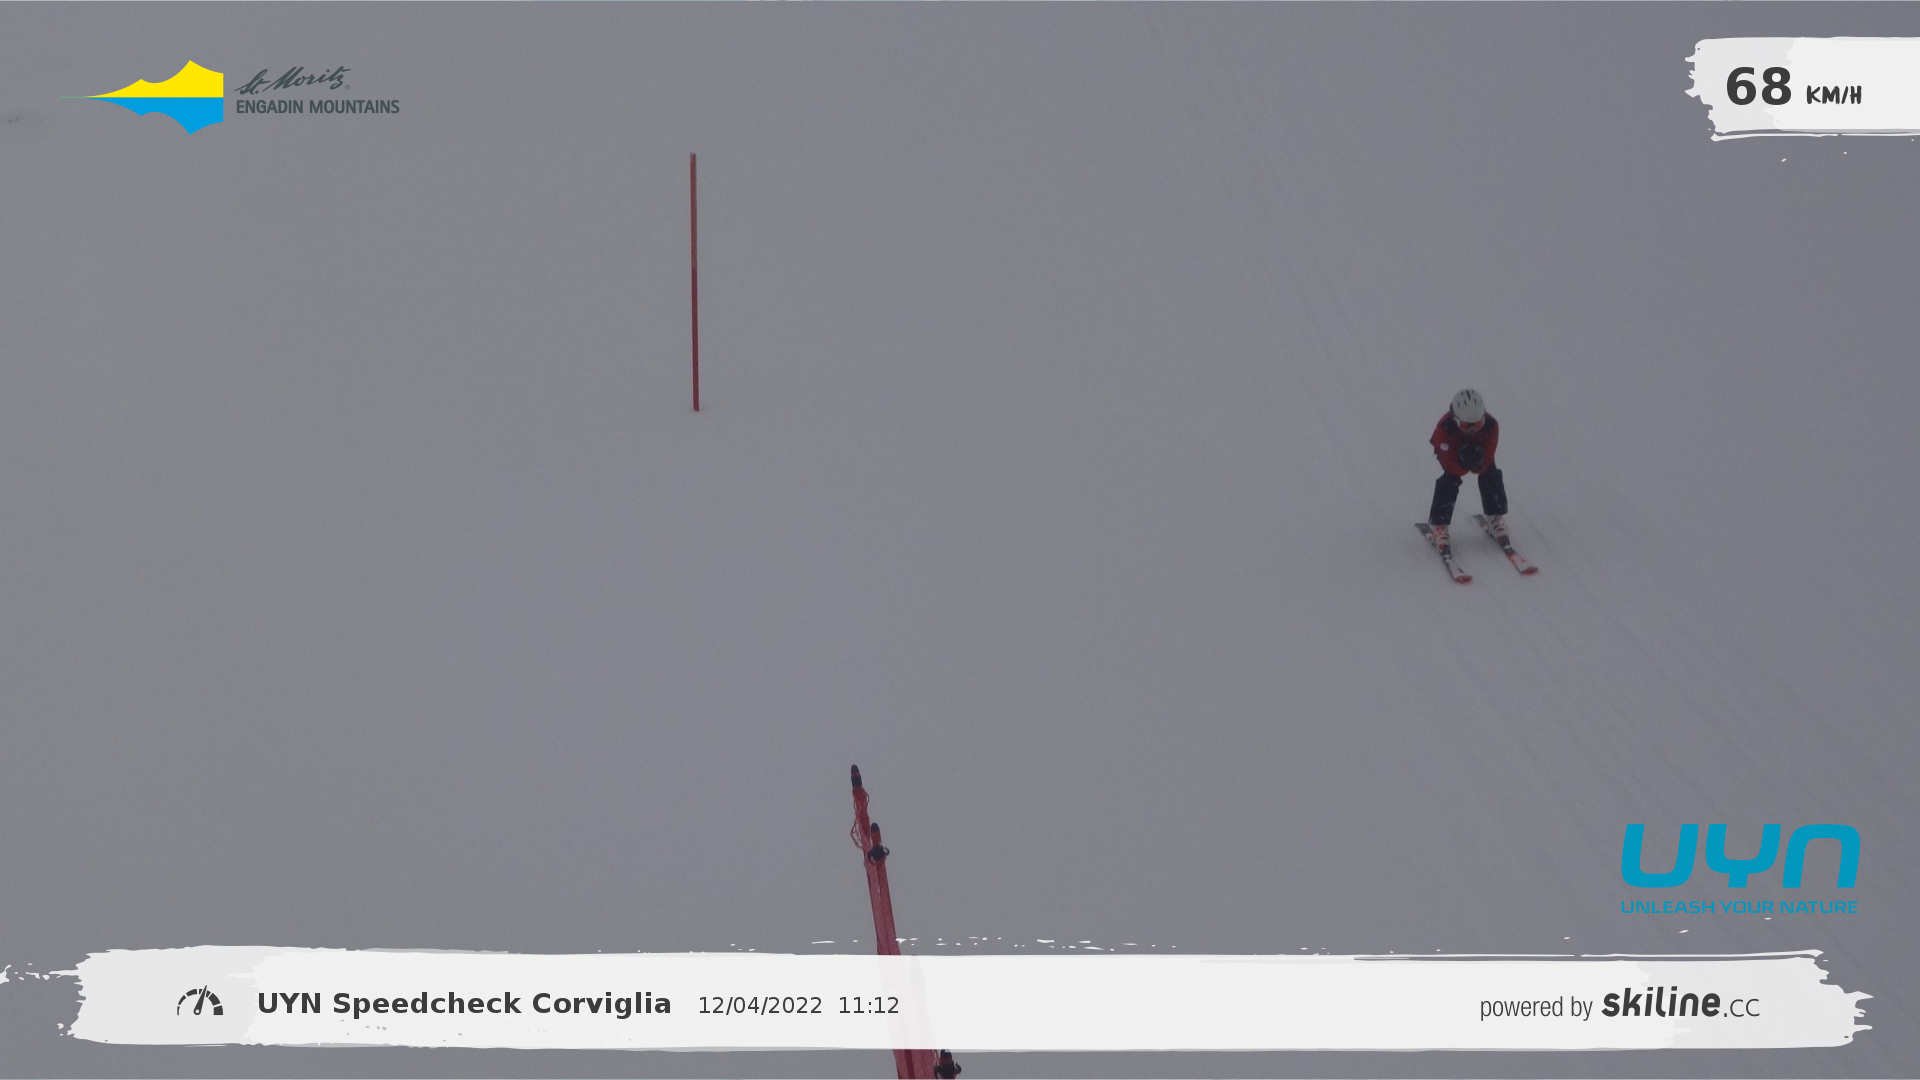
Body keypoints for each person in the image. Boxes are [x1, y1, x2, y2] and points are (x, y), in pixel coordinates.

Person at [1427, 388, 1508, 548]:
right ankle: (1439, 525)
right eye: (1466, 426)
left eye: (1477, 424)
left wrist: (1480, 463)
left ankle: (1495, 516)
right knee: (1449, 480)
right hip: (1451, 449)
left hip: (1480, 448)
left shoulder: (1491, 426)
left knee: (1490, 473)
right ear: (1456, 420)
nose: (1472, 430)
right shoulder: (1444, 430)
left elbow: (1489, 456)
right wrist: (1463, 464)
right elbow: (1448, 463)